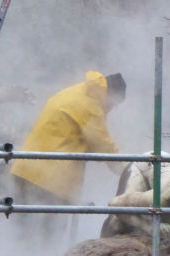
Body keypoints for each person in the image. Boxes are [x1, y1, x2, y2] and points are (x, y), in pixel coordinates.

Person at [10, 70, 127, 211]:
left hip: (26, 169)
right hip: (49, 180)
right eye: (113, 104)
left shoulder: (79, 91)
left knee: (26, 228)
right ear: (110, 95)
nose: (111, 108)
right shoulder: (91, 105)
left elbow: (78, 135)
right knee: (50, 230)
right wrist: (129, 171)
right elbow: (104, 147)